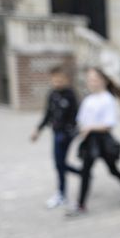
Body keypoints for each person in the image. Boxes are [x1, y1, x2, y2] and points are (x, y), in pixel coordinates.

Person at [68, 67, 120, 216]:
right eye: (90, 79)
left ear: (103, 80)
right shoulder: (88, 100)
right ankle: (81, 204)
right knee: (85, 171)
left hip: (103, 141)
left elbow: (108, 125)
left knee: (113, 169)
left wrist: (90, 127)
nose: (92, 82)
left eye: (95, 79)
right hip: (89, 141)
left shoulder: (108, 99)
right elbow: (80, 121)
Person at [31, 66, 81, 209]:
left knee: (59, 163)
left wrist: (69, 131)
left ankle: (61, 193)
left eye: (60, 80)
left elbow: (75, 115)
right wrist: (38, 130)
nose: (57, 83)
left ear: (66, 79)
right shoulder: (52, 94)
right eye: (55, 80)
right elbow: (47, 114)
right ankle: (81, 174)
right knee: (59, 164)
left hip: (67, 134)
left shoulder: (71, 94)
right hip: (56, 133)